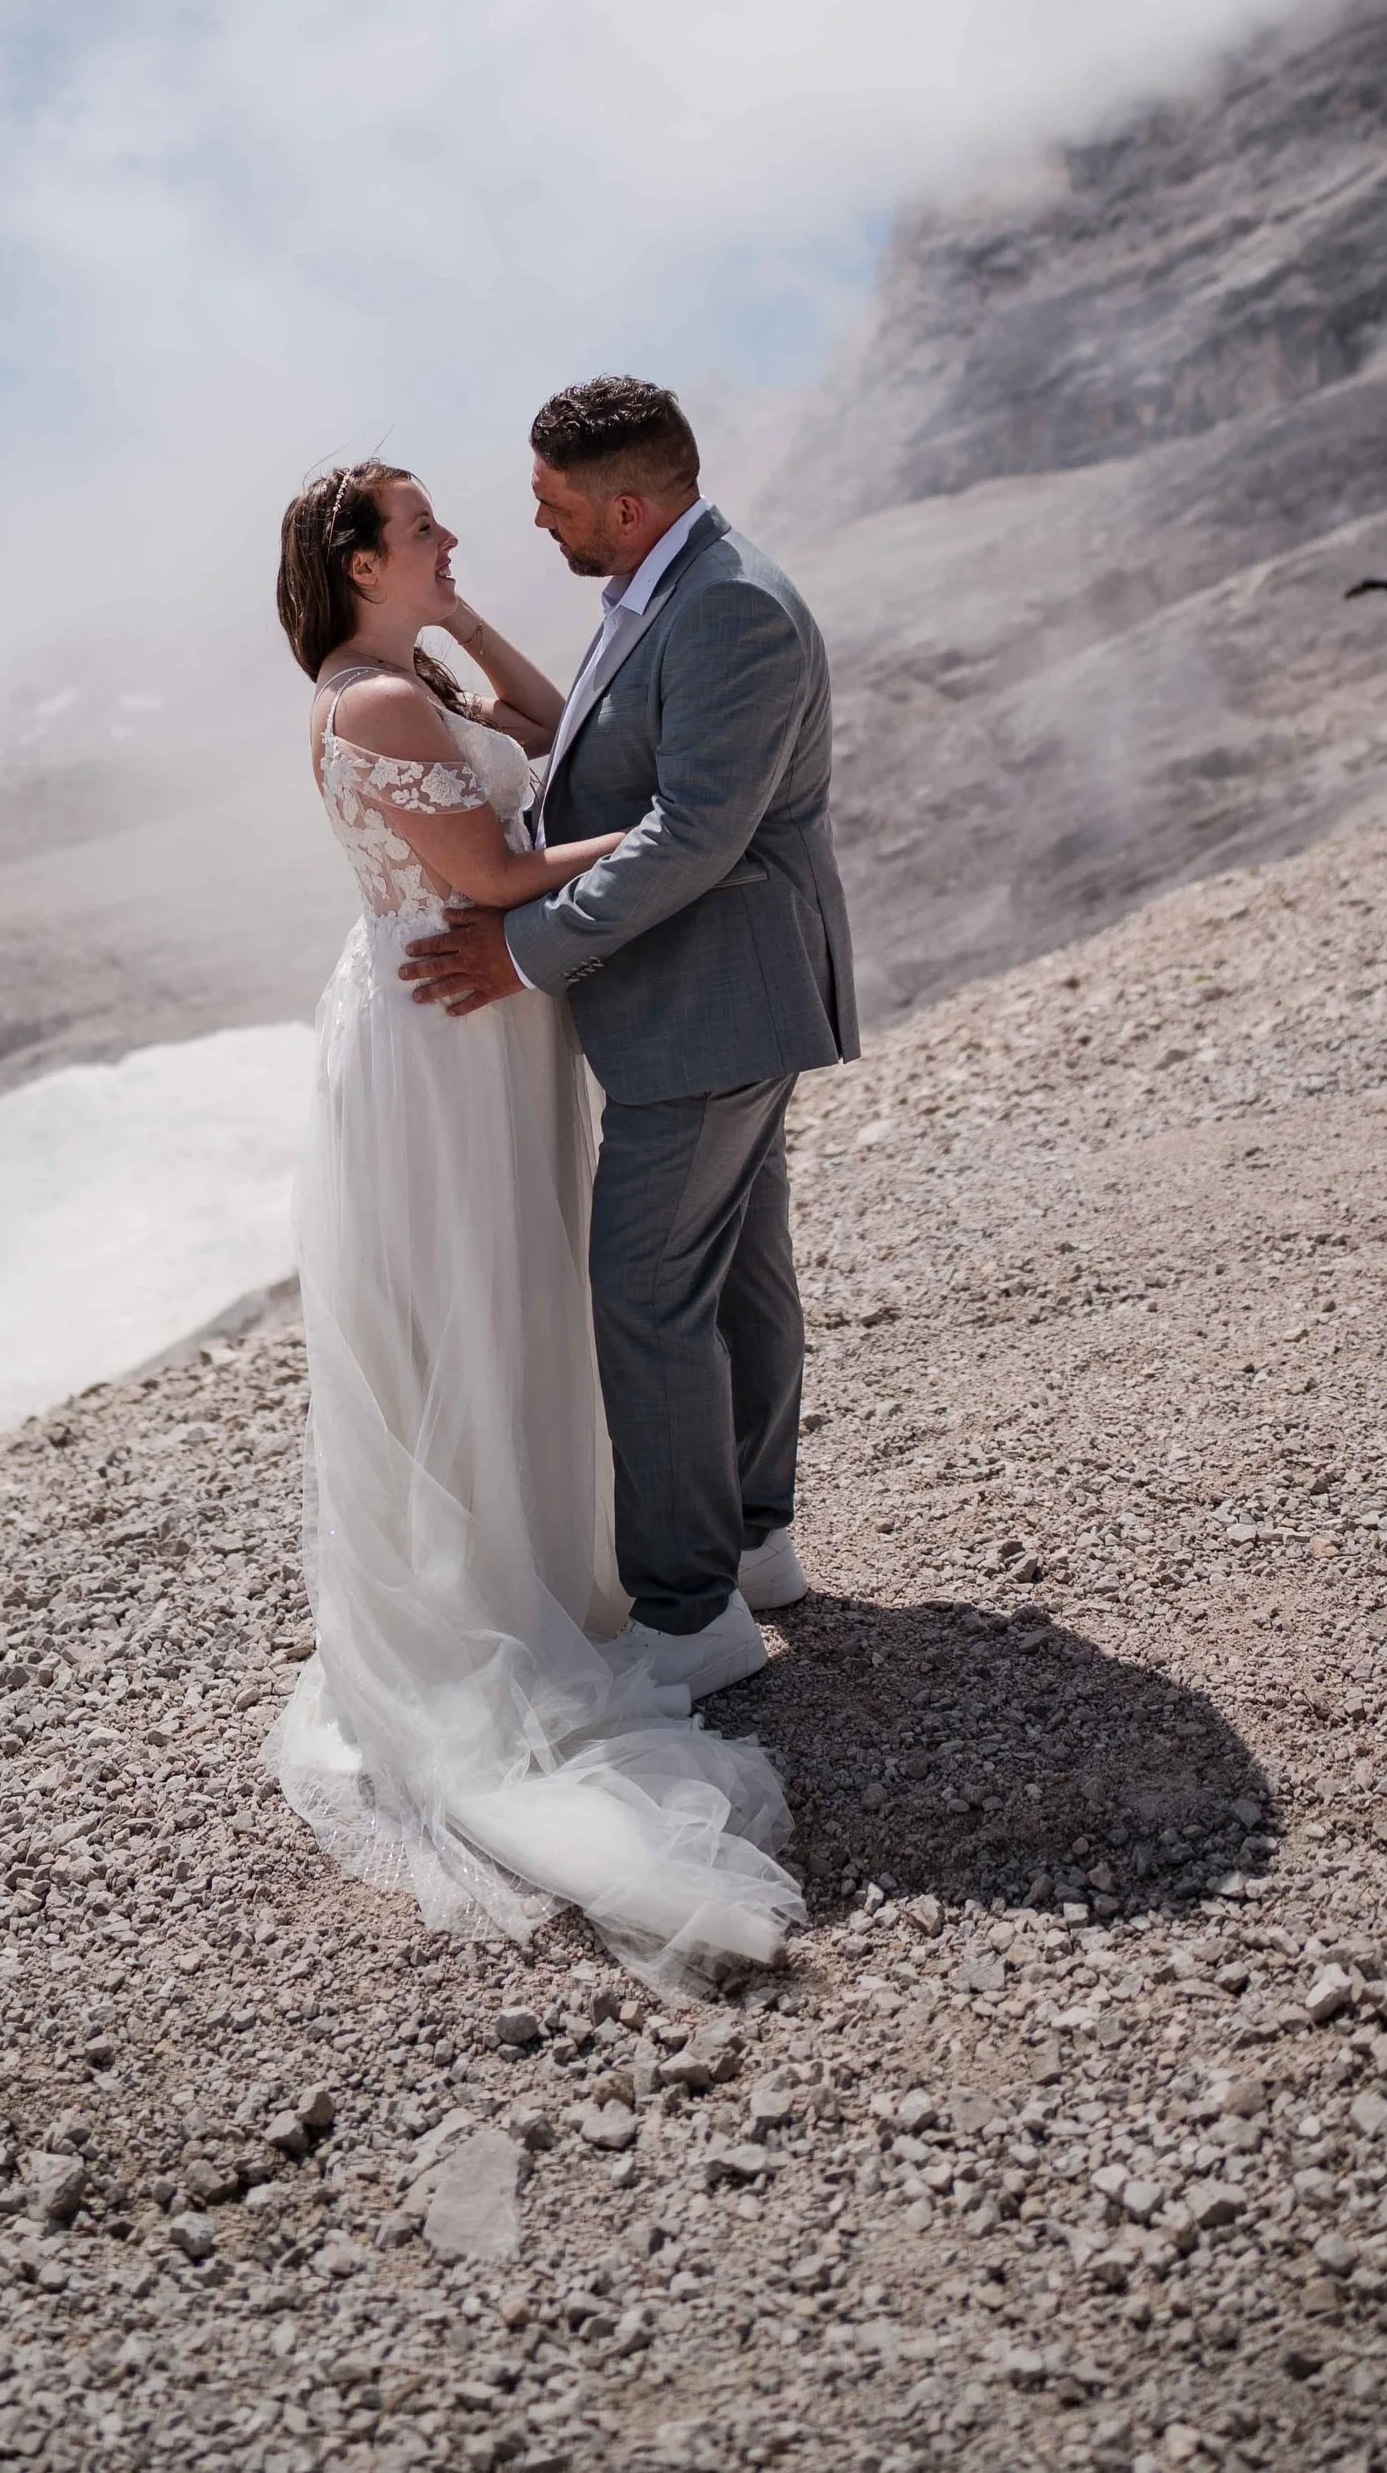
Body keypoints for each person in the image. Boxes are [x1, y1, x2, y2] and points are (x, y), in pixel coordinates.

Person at [265, 449, 805, 1986]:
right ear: (359, 563)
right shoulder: (368, 700)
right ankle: (495, 1600)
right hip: (444, 1039)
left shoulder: (410, 669)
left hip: (492, 1033)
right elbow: (495, 870)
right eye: (423, 529)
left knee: (525, 1295)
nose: (451, 538)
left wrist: (475, 630)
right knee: (481, 1304)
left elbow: (561, 740)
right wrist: (688, 847)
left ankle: (557, 1566)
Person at [402, 378, 858, 1692]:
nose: (535, 525)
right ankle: (757, 1542)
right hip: (717, 996)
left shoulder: (727, 606)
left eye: (551, 504)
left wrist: (523, 950)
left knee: (647, 1290)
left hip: (716, 995)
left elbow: (697, 830)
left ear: (625, 501)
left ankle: (688, 1614)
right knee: (736, 1273)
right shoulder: (668, 582)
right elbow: (591, 747)